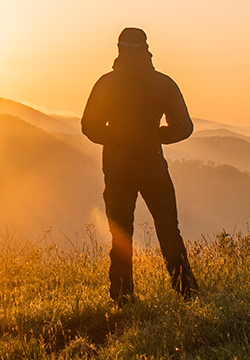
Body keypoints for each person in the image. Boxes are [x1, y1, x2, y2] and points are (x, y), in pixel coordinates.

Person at [80, 27, 198, 305]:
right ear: (146, 49)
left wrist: (117, 138)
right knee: (169, 228)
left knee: (121, 232)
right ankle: (187, 291)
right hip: (153, 166)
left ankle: (123, 295)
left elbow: (89, 127)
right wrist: (154, 136)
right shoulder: (163, 83)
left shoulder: (107, 84)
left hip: (118, 168)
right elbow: (184, 127)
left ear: (119, 49)